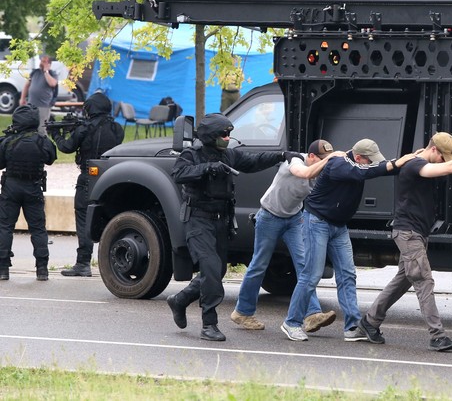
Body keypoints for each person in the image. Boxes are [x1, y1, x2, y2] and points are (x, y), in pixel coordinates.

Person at [358, 133, 452, 352]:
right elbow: (451, 168)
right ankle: (437, 336)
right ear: (433, 149)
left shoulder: (424, 160)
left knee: (404, 280)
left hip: (416, 232)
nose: (445, 161)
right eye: (443, 157)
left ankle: (369, 322)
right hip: (408, 233)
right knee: (424, 281)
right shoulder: (416, 164)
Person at [167, 113, 292, 342]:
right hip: (198, 220)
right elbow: (179, 174)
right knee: (212, 269)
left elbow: (253, 161)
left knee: (217, 271)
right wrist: (207, 168)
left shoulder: (229, 155)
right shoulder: (192, 155)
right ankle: (209, 324)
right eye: (224, 134)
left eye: (229, 134)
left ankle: (180, 300)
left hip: (220, 221)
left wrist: (282, 156)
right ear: (211, 135)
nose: (227, 137)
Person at [280, 138, 415, 342]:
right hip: (317, 222)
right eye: (368, 160)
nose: (371, 164)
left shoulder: (359, 164)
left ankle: (352, 327)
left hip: (338, 225)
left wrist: (413, 159)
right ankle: (291, 323)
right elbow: (364, 172)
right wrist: (394, 164)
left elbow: (380, 168)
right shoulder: (338, 164)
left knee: (347, 275)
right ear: (358, 156)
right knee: (311, 275)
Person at [231, 139, 345, 333]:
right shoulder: (295, 161)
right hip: (269, 216)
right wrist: (331, 158)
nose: (325, 163)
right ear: (310, 156)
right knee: (259, 265)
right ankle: (242, 312)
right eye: (322, 158)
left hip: (294, 219)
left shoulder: (320, 171)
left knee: (304, 264)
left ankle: (312, 315)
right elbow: (304, 173)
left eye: (327, 159)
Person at [51, 92, 124, 277]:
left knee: (84, 220)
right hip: (111, 180)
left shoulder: (85, 128)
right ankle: (118, 262)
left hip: (87, 179)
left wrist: (56, 135)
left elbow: (67, 147)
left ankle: (83, 263)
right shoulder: (116, 128)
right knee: (113, 220)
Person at [0, 104, 57, 281]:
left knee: (5, 227)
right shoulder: (42, 141)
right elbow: (51, 159)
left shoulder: (8, 141)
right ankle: (42, 269)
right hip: (33, 188)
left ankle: (3, 269)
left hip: (11, 187)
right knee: (38, 228)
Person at [20, 54, 59, 135]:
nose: (41, 63)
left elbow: (52, 84)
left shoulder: (52, 73)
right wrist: (22, 98)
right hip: (31, 104)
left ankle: (43, 145)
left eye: (44, 62)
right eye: (41, 61)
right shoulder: (35, 72)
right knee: (30, 127)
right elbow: (27, 85)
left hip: (44, 105)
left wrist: (46, 71)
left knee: (41, 129)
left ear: (49, 64)